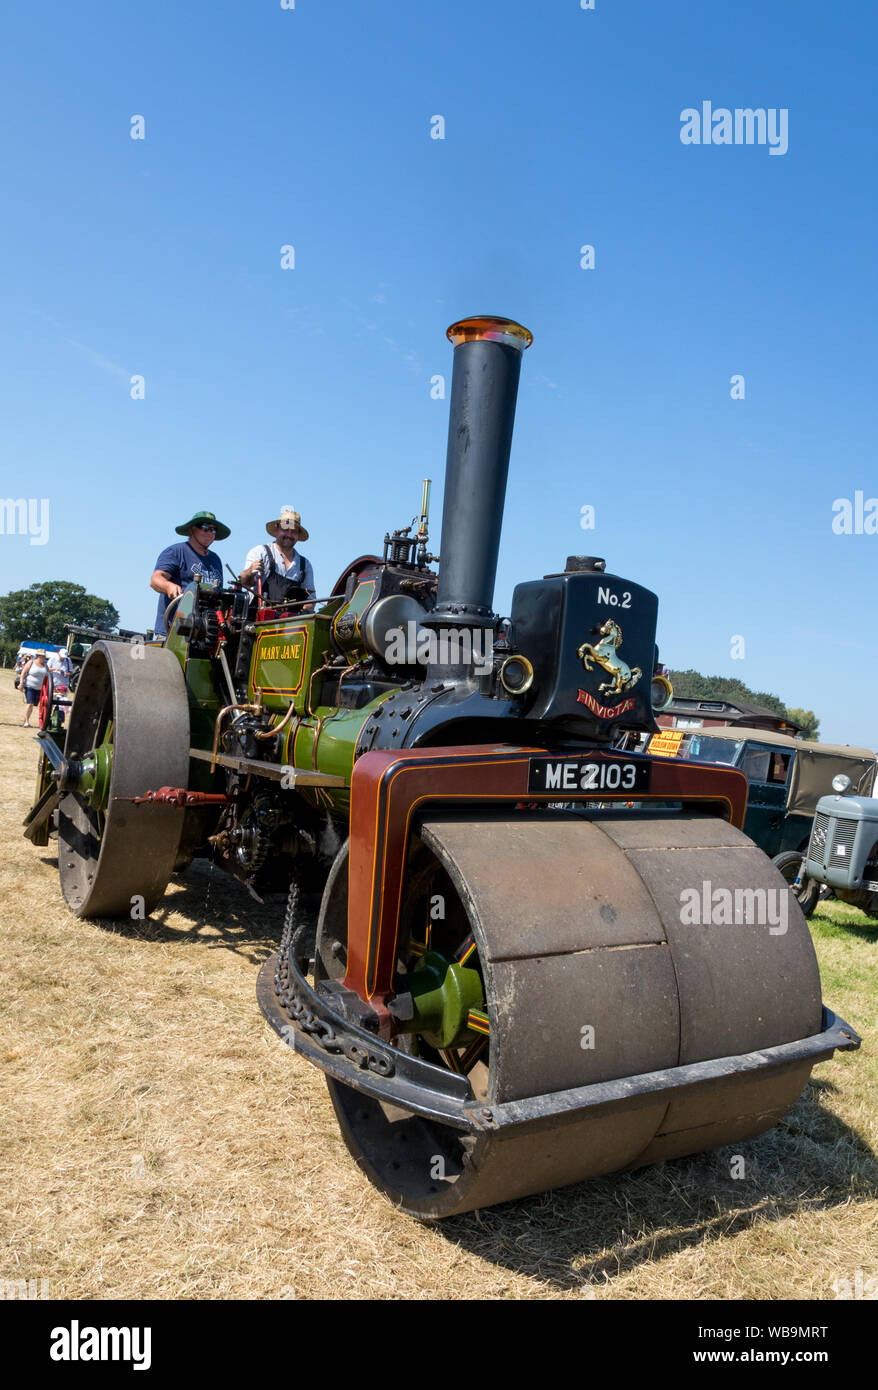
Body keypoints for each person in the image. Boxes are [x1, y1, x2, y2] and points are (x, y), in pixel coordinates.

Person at [150, 509, 230, 636]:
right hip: (173, 632)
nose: (210, 532)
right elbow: (155, 579)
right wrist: (168, 586)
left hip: (205, 634)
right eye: (205, 528)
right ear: (192, 530)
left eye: (213, 530)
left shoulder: (216, 560)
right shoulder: (176, 552)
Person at [240, 506, 316, 603]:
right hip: (257, 616)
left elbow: (310, 601)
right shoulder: (260, 553)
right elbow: (244, 582)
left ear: (298, 536)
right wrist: (250, 571)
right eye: (285, 529)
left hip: (290, 618)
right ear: (277, 530)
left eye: (293, 531)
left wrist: (305, 611)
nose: (289, 534)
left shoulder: (305, 565)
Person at [20, 649, 49, 726]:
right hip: (30, 686)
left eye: (44, 656)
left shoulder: (46, 665)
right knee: (30, 704)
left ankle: (26, 719)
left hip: (40, 689)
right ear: (38, 656)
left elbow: (48, 676)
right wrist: (21, 683)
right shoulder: (31, 662)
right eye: (42, 656)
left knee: (35, 705)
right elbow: (23, 673)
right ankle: (26, 721)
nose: (44, 657)